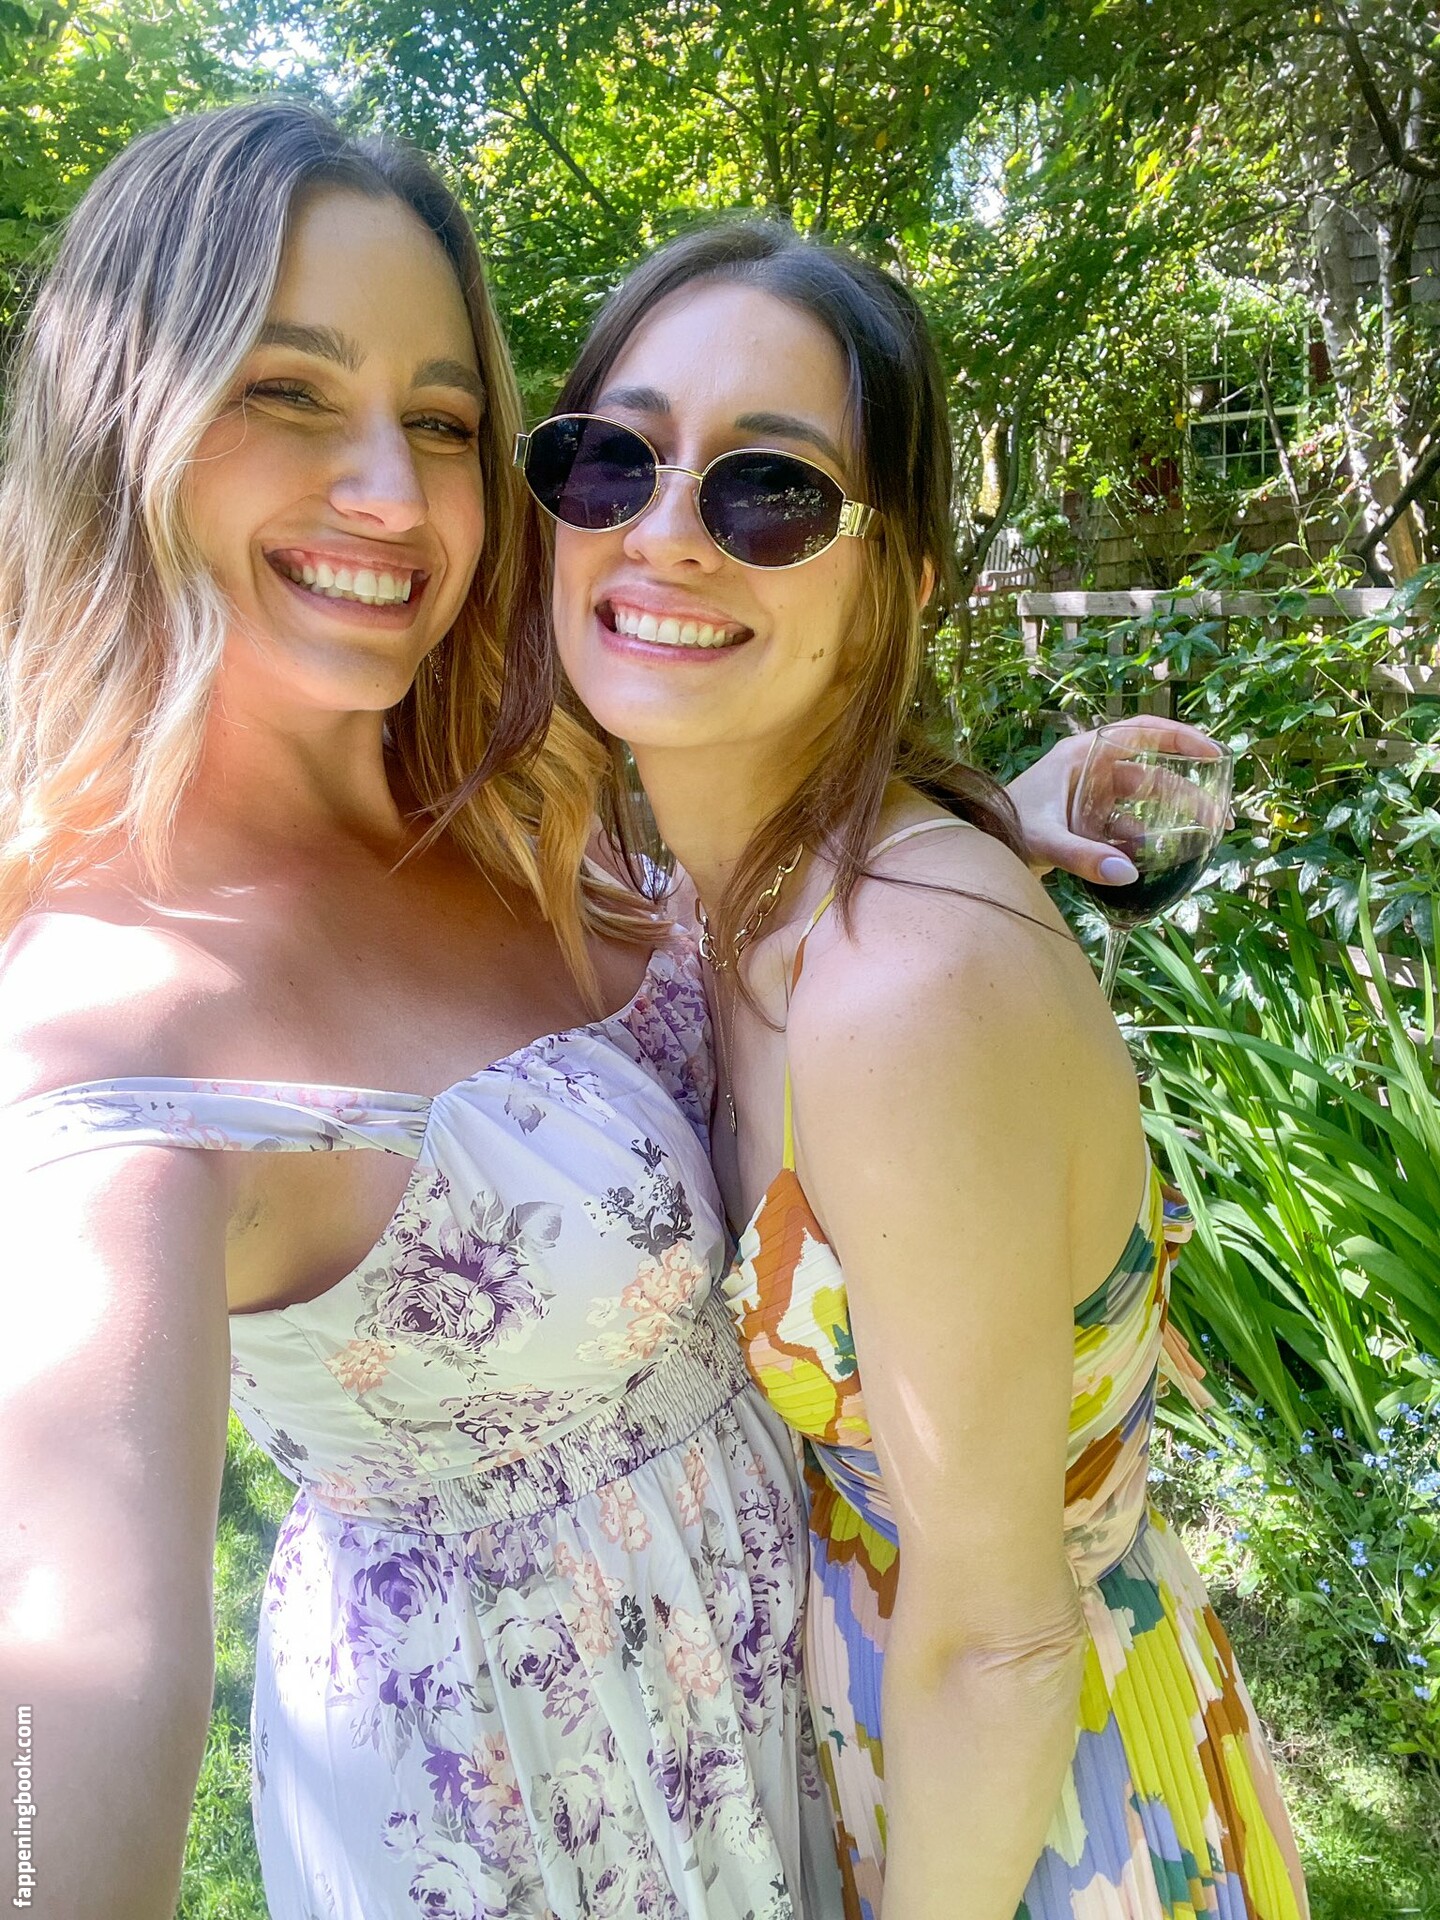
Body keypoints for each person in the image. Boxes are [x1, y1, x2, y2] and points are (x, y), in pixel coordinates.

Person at [0, 102, 1167, 1920]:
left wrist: (968, 841)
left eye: (444, 422)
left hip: (817, 1763)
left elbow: (784, 959)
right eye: (287, 390)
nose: (393, 497)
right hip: (522, 1825)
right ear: (116, 427)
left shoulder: (527, 808)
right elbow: (69, 1646)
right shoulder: (115, 1042)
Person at [531, 222, 1311, 1919]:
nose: (667, 532)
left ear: (901, 574)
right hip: (886, 1755)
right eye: (611, 460)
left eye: (773, 492)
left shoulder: (902, 987)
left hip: (1026, 1813)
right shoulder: (721, 902)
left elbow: (1003, 1650)